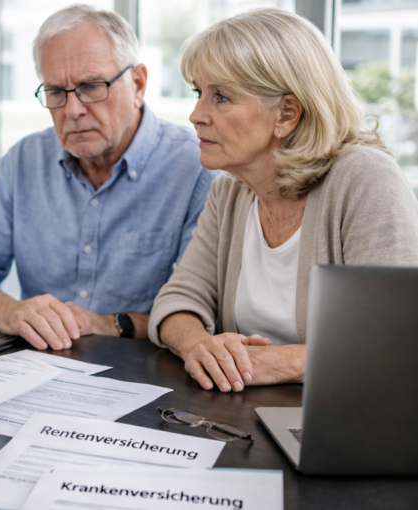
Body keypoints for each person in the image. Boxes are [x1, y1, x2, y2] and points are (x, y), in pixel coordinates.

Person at [148, 8, 418, 393]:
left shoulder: (366, 179)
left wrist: (281, 363)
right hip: (245, 414)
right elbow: (178, 300)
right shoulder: (230, 190)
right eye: (199, 93)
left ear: (287, 114)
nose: (195, 114)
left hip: (347, 423)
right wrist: (202, 347)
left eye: (221, 97)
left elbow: (395, 339)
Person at [0, 5, 216, 350]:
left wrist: (109, 324)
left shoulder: (198, 168)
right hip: (37, 369)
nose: (73, 110)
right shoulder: (25, 160)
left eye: (91, 86)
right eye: (56, 92)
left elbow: (205, 311)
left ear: (138, 84)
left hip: (150, 378)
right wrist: (5, 310)